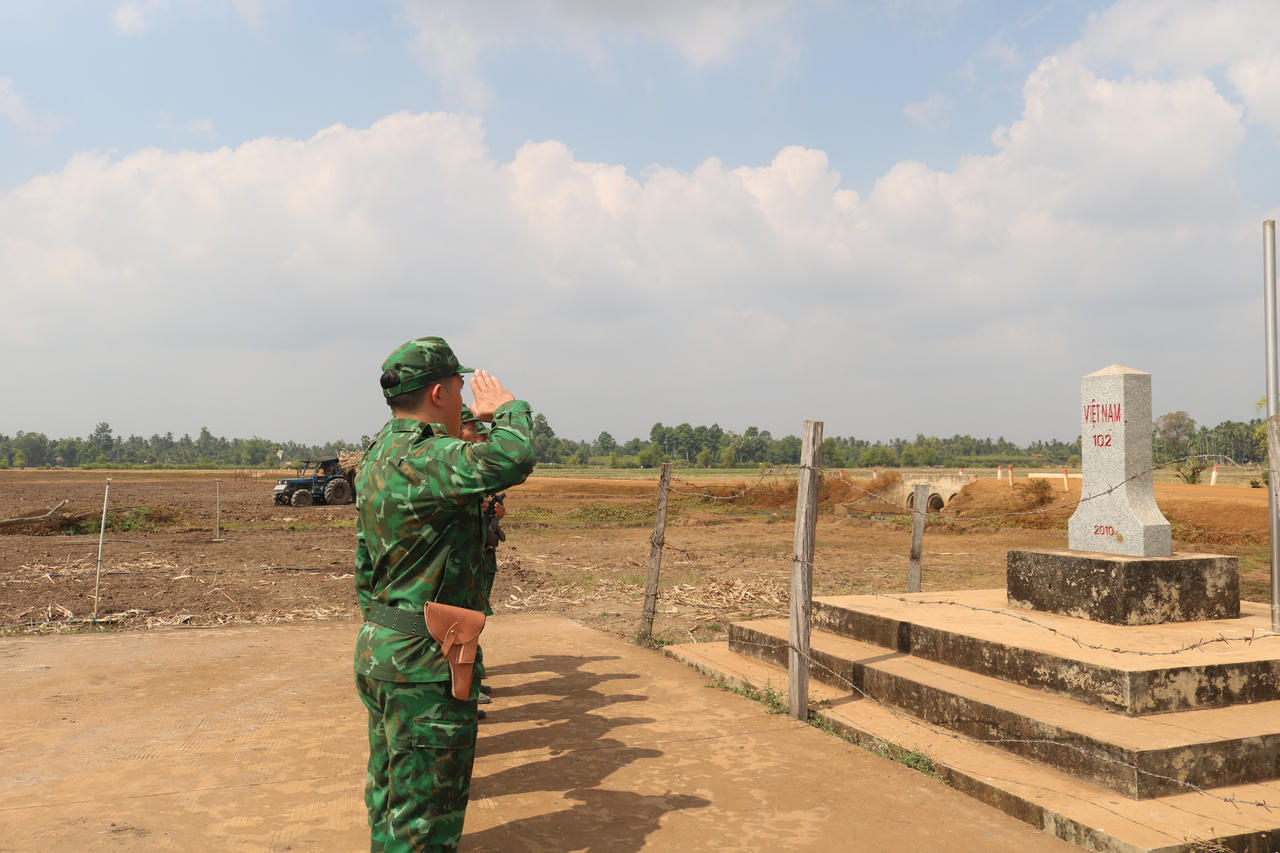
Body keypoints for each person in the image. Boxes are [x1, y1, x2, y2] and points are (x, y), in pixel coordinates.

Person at [353, 336, 535, 852]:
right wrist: (508, 409)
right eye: (459, 386)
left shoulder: (377, 456)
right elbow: (513, 457)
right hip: (426, 662)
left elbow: (365, 561)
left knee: (392, 801)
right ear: (438, 393)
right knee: (425, 820)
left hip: (383, 646)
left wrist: (390, 629)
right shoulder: (428, 456)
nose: (463, 396)